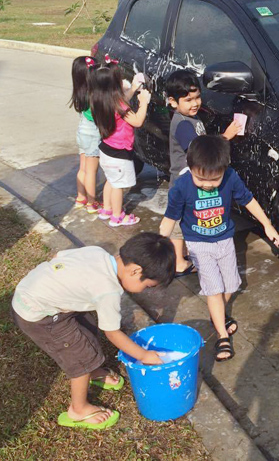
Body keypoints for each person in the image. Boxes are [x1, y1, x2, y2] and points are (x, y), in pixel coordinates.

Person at [11, 233, 176, 430]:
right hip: (38, 314)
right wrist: (144, 355)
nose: (144, 291)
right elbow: (113, 333)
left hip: (31, 292)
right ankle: (78, 409)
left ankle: (94, 371)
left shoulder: (98, 253)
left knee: (87, 324)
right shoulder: (108, 291)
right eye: (147, 285)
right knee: (81, 354)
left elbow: (59, 258)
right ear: (135, 271)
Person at [160, 135, 279, 361]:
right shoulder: (182, 186)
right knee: (213, 289)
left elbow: (249, 200)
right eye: (200, 179)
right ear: (190, 166)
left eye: (214, 180)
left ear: (225, 169)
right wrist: (157, 243)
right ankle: (221, 335)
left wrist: (267, 225)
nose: (207, 185)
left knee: (231, 285)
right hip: (198, 245)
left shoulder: (231, 177)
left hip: (225, 240)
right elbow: (170, 218)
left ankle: (217, 315)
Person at [165, 70, 241, 277]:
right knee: (179, 224)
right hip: (183, 183)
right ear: (173, 102)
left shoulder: (190, 117)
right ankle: (179, 262)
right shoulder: (182, 124)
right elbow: (199, 151)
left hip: (191, 181)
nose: (195, 103)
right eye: (188, 99)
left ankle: (186, 253)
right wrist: (225, 136)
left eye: (197, 97)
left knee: (187, 219)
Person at [90, 56, 149, 227]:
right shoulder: (120, 106)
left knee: (111, 180)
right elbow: (137, 121)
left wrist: (134, 88)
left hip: (106, 150)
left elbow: (123, 99)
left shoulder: (100, 101)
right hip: (119, 153)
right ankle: (117, 216)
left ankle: (107, 209)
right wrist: (143, 102)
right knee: (119, 186)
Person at [70, 56, 101, 214]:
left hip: (82, 132)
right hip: (92, 135)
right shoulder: (94, 95)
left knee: (82, 168)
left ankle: (81, 197)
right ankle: (91, 202)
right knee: (91, 171)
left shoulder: (80, 92)